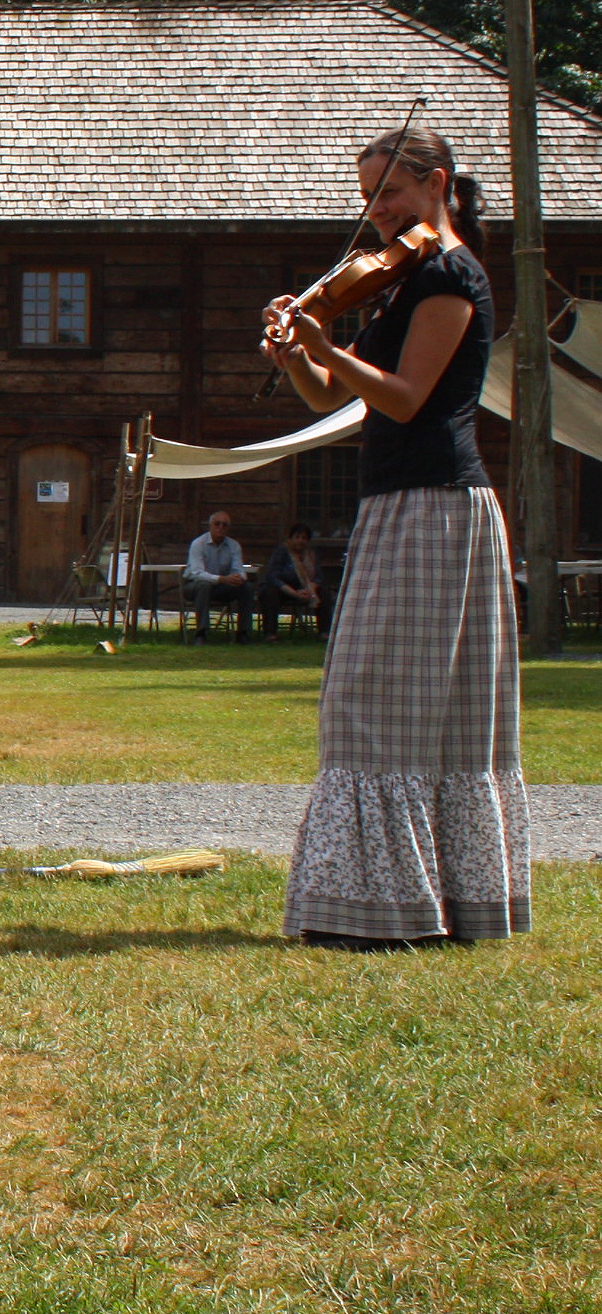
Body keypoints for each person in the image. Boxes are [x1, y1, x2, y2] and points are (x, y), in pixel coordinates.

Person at [262, 124, 526, 948]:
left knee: (378, 707)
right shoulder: (395, 281)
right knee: (388, 710)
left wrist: (328, 347)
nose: (375, 212)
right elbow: (321, 400)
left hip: (437, 507)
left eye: (390, 193)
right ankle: (401, 901)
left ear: (436, 185)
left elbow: (407, 397)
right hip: (397, 506)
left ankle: (396, 906)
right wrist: (302, 351)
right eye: (367, 195)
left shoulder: (448, 274)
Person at [181, 509, 253, 644]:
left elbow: (239, 569)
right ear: (210, 526)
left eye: (224, 525)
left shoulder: (234, 546)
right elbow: (197, 573)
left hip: (220, 587)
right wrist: (222, 579)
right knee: (204, 585)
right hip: (194, 586)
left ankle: (243, 632)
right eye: (217, 524)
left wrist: (239, 578)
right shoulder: (198, 544)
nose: (221, 528)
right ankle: (201, 633)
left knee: (246, 587)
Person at [258, 521, 327, 642]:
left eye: (304, 538)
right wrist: (294, 593)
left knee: (324, 592)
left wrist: (310, 589)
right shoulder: (282, 552)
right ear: (291, 538)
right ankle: (270, 633)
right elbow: (272, 577)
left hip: (306, 589)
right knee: (269, 592)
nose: (300, 541)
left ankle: (324, 632)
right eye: (297, 537)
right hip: (284, 589)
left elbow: (319, 577)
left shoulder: (311, 555)